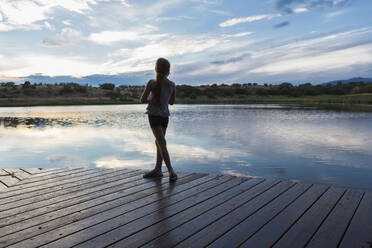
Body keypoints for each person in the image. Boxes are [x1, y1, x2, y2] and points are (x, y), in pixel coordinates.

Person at [140, 58, 177, 181]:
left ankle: (171, 171)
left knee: (161, 143)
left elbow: (142, 100)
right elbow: (171, 102)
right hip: (165, 116)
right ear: (168, 71)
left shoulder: (151, 83)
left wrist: (152, 99)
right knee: (159, 142)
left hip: (154, 116)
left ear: (156, 69)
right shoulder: (172, 85)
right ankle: (158, 169)